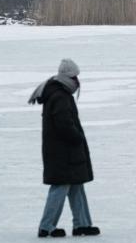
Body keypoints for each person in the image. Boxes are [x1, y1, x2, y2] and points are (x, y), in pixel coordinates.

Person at [28, 59, 100, 237]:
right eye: (75, 76)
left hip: (65, 151)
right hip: (62, 152)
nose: (77, 81)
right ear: (67, 77)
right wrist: (77, 138)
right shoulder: (60, 96)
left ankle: (82, 224)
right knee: (60, 186)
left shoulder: (60, 93)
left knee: (76, 185)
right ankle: (46, 226)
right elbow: (64, 125)